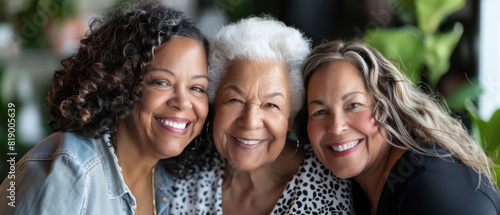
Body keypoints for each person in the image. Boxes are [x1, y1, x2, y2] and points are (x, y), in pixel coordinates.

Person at [0, 1, 209, 214]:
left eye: (197, 87)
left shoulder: (172, 181)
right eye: (162, 82)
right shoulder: (71, 173)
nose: (183, 102)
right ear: (119, 81)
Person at [167, 17, 353, 215]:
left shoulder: (330, 188)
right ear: (214, 103)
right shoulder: (183, 170)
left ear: (290, 118)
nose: (250, 121)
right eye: (235, 100)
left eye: (271, 105)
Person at [299, 40, 500, 214]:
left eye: (353, 105)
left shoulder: (428, 186)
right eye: (320, 112)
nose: (335, 126)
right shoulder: (353, 188)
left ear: (386, 105)